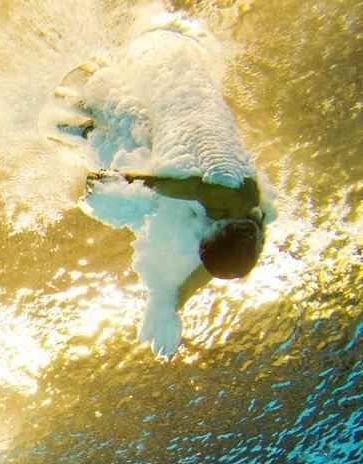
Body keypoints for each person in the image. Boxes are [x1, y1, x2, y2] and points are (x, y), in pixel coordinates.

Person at [46, 13, 275, 355]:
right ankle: (73, 111)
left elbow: (208, 272)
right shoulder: (226, 196)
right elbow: (179, 187)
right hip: (187, 117)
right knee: (129, 134)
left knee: (133, 141)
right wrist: (131, 181)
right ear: (220, 229)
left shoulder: (253, 226)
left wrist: (171, 305)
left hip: (203, 126)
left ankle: (77, 120)